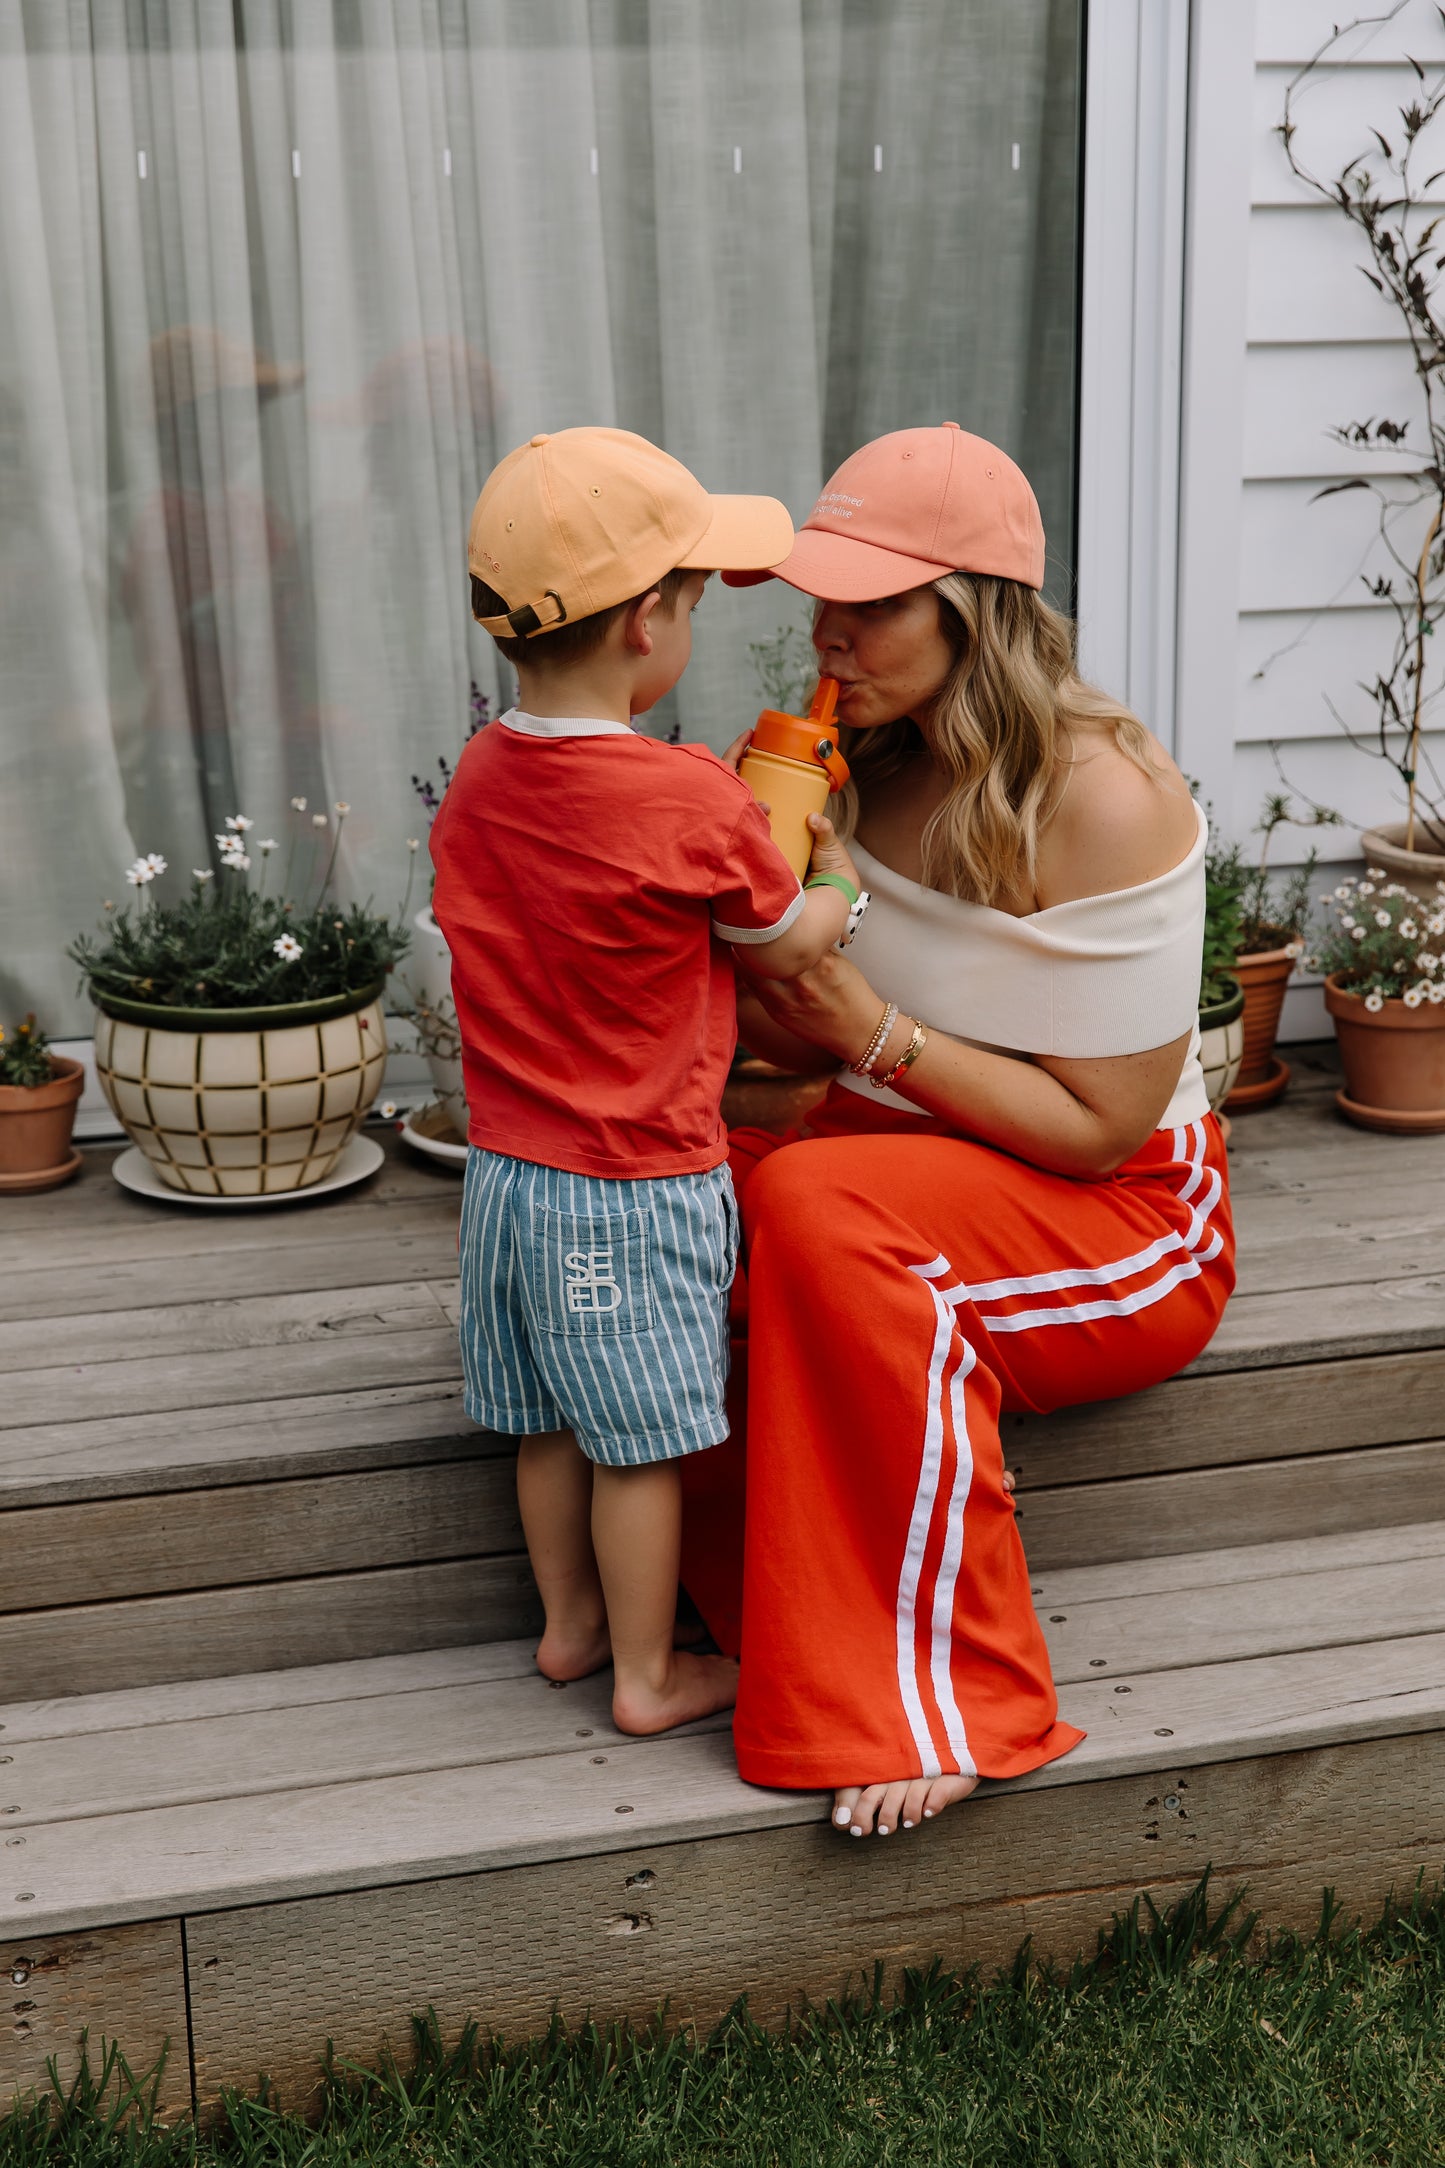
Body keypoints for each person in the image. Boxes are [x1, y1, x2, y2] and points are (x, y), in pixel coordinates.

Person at [680, 422, 1236, 1837]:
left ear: (973, 612)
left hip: (1122, 1221)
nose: (829, 632)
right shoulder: (856, 757)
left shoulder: (1100, 797)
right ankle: (737, 1614)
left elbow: (1099, 1131)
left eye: (871, 604)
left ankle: (931, 1692)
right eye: (824, 598)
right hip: (888, 1139)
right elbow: (776, 1046)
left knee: (816, 1210)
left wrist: (862, 1029)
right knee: (653, 1198)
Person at [431, 426, 864, 1738]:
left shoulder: (481, 775)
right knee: (639, 1445)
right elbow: (779, 934)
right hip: (631, 1186)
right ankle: (644, 1674)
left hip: (505, 1179)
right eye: (687, 601)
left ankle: (566, 1631)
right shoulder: (687, 796)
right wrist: (833, 880)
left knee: (546, 1425)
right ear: (644, 627)